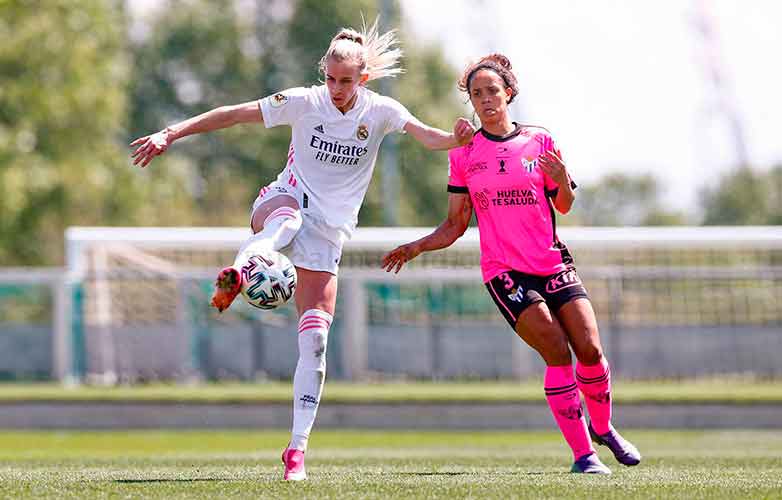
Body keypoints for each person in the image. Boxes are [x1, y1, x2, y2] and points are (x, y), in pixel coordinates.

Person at [130, 20, 474, 481]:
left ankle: (296, 451)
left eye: (346, 80)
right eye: (330, 78)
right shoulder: (304, 102)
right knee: (287, 219)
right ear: (323, 74)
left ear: (363, 78)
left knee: (315, 340)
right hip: (283, 199)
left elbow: (429, 136)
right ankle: (238, 269)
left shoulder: (381, 111)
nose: (335, 88)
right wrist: (170, 133)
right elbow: (233, 114)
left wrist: (457, 138)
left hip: (329, 234)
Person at [381, 54, 640, 474]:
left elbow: (565, 205)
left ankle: (604, 429)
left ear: (509, 94)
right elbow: (455, 224)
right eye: (476, 94)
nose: (485, 100)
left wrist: (561, 177)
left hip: (552, 263)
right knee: (558, 352)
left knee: (590, 349)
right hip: (504, 271)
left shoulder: (539, 141)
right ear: (471, 100)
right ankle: (583, 456)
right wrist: (416, 247)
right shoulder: (465, 153)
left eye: (492, 92)